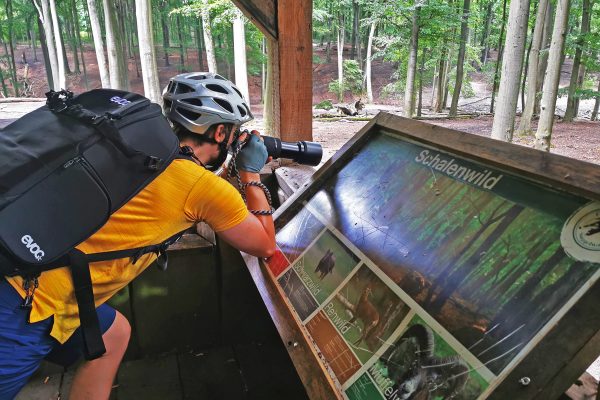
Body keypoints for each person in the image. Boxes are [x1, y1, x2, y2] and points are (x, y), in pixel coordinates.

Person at [0, 72, 275, 399]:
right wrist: (251, 172)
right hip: (27, 304)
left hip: (20, 260)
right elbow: (264, 244)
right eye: (233, 132)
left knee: (112, 335)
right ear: (219, 131)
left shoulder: (136, 153)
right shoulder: (202, 188)